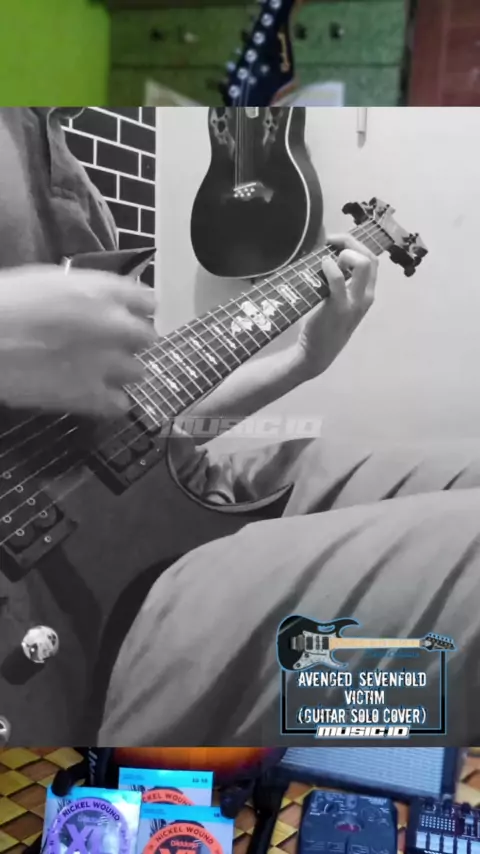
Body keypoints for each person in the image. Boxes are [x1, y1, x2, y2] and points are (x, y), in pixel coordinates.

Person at [0, 107, 473, 747]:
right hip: (78, 623)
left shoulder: (50, 142)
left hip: (161, 496)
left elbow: (139, 419)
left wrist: (302, 362)